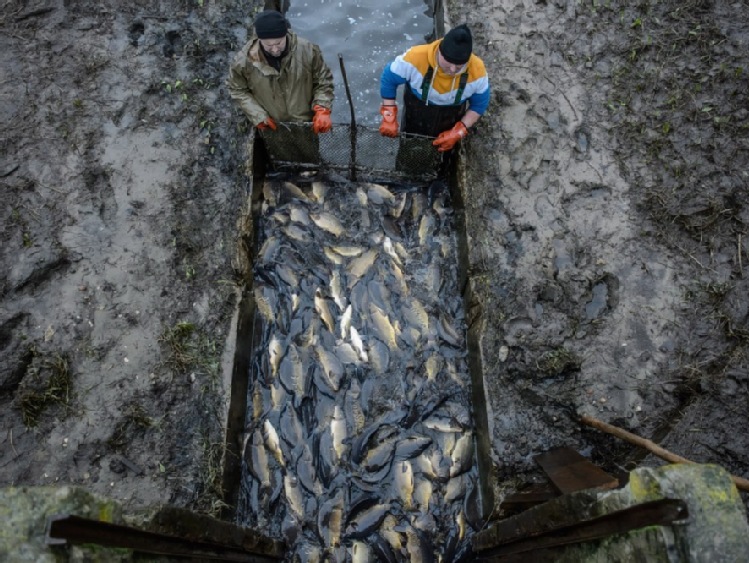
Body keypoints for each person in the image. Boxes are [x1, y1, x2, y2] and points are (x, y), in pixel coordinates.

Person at [378, 24, 490, 153]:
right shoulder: (415, 58)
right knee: (408, 151)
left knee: (445, 158)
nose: (453, 70)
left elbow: (479, 105)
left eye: (459, 66)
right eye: (448, 62)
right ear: (440, 52)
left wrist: (459, 131)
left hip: (450, 121)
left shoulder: (478, 71)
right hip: (415, 115)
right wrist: (389, 116)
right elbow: (389, 79)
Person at [227, 10, 334, 135]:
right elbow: (237, 89)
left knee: (309, 150)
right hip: (272, 125)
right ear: (259, 39)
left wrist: (322, 108)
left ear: (286, 34)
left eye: (279, 43)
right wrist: (257, 115)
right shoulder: (243, 61)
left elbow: (323, 80)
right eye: (268, 45)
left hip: (305, 124)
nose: (275, 49)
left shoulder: (308, 50)